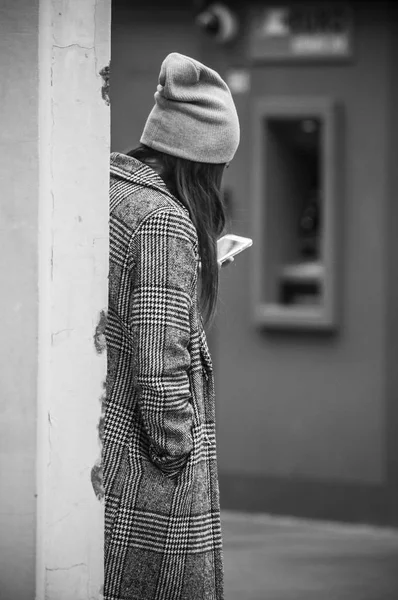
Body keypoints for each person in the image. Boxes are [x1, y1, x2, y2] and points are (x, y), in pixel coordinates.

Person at [103, 52, 240, 600]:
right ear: (199, 159)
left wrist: (195, 268)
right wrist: (177, 453)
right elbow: (162, 375)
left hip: (107, 460)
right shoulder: (164, 222)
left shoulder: (113, 190)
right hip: (152, 492)